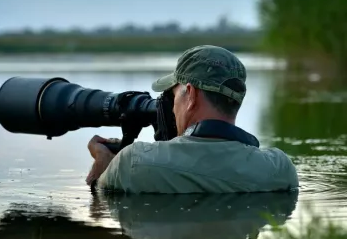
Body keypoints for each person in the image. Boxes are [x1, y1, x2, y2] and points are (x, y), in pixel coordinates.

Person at [85, 45, 299, 193]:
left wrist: (105, 165)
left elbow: (101, 195)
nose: (171, 106)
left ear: (191, 95)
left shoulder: (133, 162)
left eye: (173, 96)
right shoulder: (279, 168)